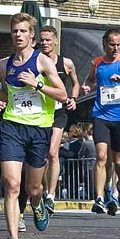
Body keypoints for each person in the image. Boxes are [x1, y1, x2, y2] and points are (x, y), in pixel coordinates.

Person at [0, 12, 67, 239]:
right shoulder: (4, 65)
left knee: (33, 187)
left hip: (38, 130)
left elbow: (62, 95)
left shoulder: (43, 63)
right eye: (14, 31)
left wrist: (37, 85)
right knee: (12, 185)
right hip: (11, 128)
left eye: (23, 31)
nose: (18, 35)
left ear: (32, 36)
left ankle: (37, 205)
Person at [81, 28, 120, 214]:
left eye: (118, 44)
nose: (115, 48)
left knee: (118, 160)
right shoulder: (98, 63)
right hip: (100, 115)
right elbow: (91, 81)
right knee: (101, 157)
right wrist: (87, 87)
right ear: (104, 44)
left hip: (119, 117)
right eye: (112, 44)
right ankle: (99, 198)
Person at [38, 25, 80, 216]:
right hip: (38, 112)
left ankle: (51, 196)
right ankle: (45, 189)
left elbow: (76, 83)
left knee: (53, 152)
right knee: (43, 156)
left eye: (48, 40)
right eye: (42, 40)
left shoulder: (66, 63)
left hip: (58, 111)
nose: (45, 43)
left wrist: (73, 98)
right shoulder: (35, 60)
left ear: (55, 41)